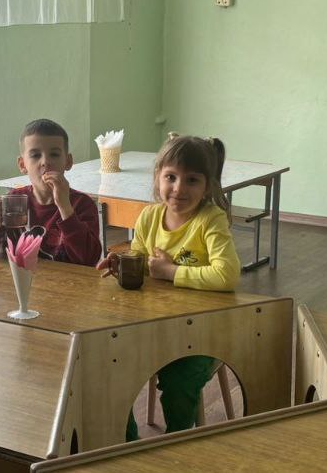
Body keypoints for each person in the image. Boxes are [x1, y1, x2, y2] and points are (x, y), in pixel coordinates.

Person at [97, 134, 240, 440]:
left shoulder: (210, 219)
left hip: (201, 333)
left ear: (207, 186)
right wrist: (122, 264)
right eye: (171, 177)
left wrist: (170, 271)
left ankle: (177, 442)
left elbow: (227, 275)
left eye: (192, 180)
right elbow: (143, 267)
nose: (179, 188)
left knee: (179, 383)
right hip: (154, 326)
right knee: (111, 370)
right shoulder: (149, 217)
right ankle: (128, 445)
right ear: (157, 178)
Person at [0, 118, 101, 266]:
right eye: (35, 155)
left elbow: (89, 259)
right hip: (17, 279)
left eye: (54, 154)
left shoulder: (82, 204)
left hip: (65, 280)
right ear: (22, 165)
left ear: (68, 161)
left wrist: (65, 207)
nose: (45, 162)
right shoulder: (14, 202)